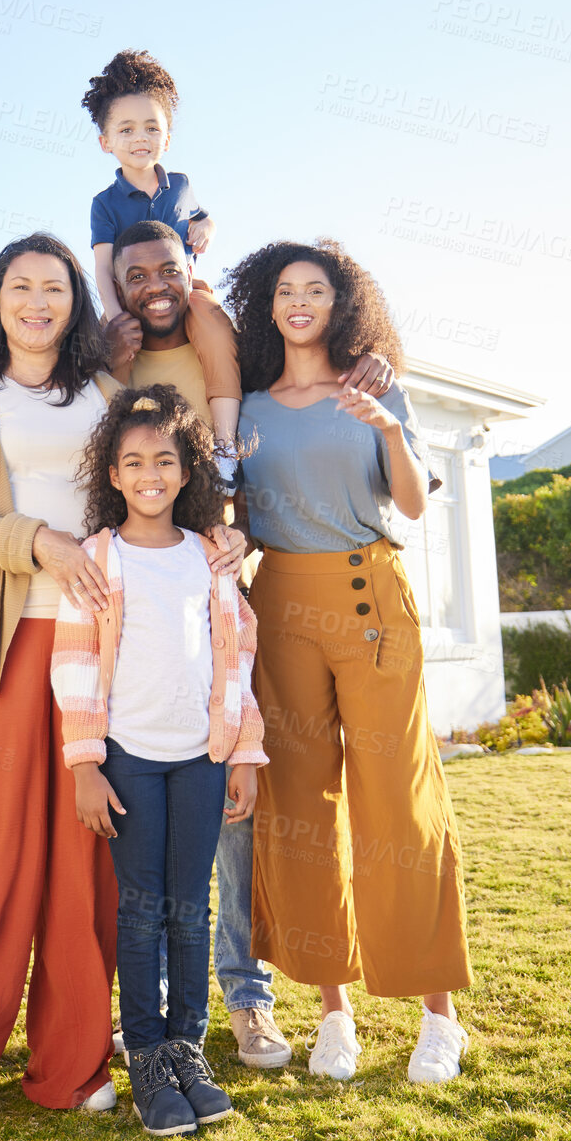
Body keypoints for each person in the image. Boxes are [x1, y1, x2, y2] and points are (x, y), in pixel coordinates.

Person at [0, 234, 247, 1136]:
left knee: (84, 872)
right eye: (19, 286)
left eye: (53, 286)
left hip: (108, 658)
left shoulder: (103, 393)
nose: (37, 301)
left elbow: (155, 485)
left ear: (74, 302)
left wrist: (219, 536)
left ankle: (70, 1063)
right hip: (0, 648)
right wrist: (40, 543)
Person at [102, 219, 396, 1071]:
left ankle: (245, 997)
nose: (152, 283)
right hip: (132, 577)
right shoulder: (108, 349)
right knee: (140, 822)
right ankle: (144, 1007)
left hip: (218, 572)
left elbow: (304, 395)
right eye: (134, 273)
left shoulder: (225, 340)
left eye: (167, 267)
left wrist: (377, 361)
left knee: (231, 811)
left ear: (189, 268)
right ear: (113, 282)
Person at [226, 238, 473, 1086]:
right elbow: (246, 517)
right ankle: (334, 1010)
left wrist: (390, 429)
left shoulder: (373, 386)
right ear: (268, 304)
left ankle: (438, 1013)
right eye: (286, 290)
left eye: (316, 290)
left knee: (397, 801)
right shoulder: (248, 410)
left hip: (370, 594)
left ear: (341, 304)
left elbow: (408, 502)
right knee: (297, 804)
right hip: (280, 603)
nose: (300, 301)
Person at [51, 385, 267, 1134]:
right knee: (142, 911)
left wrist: (245, 751)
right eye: (133, 461)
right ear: (112, 473)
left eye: (164, 460)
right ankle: (144, 1052)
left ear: (184, 471)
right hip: (130, 759)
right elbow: (73, 663)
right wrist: (84, 763)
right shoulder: (96, 559)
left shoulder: (209, 558)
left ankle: (187, 1047)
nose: (149, 473)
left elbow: (236, 658)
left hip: (200, 758)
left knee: (191, 906)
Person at [82, 49, 241, 457]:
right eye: (127, 129)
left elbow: (205, 217)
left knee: (215, 326)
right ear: (106, 142)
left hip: (183, 291)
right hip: (127, 296)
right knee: (101, 354)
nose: (141, 138)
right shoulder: (104, 203)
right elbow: (103, 269)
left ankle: (224, 446)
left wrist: (207, 226)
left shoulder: (182, 185)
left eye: (152, 128)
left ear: (167, 137)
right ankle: (113, 449)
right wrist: (116, 315)